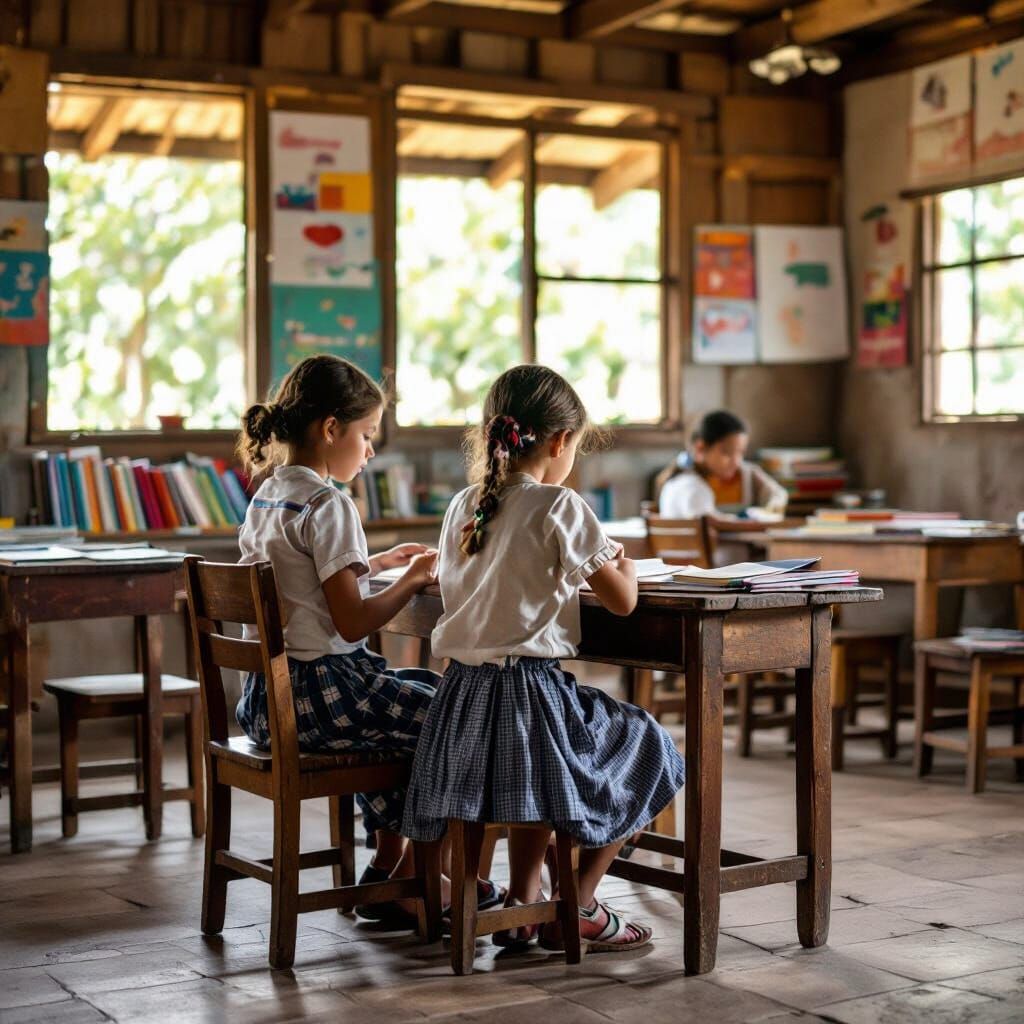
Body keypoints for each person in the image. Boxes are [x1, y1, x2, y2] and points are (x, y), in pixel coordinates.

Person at [402, 364, 685, 953]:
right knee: (648, 741)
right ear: (559, 442)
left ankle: (527, 900)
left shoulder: (463, 505)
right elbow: (622, 601)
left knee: (538, 763)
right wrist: (625, 565)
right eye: (575, 446)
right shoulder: (560, 504)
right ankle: (578, 901)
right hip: (529, 699)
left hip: (462, 702)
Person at [234, 354, 502, 923]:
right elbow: (353, 624)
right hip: (321, 695)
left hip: (267, 698)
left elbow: (300, 580)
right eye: (367, 434)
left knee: (421, 695)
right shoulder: (329, 503)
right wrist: (409, 579)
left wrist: (373, 561)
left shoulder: (269, 494)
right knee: (449, 712)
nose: (371, 450)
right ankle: (421, 878)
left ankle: (390, 869)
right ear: (331, 429)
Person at [657, 410, 787, 518]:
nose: (736, 462)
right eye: (727, 453)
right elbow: (710, 523)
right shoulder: (690, 486)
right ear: (700, 449)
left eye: (740, 453)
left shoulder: (747, 474)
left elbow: (777, 495)